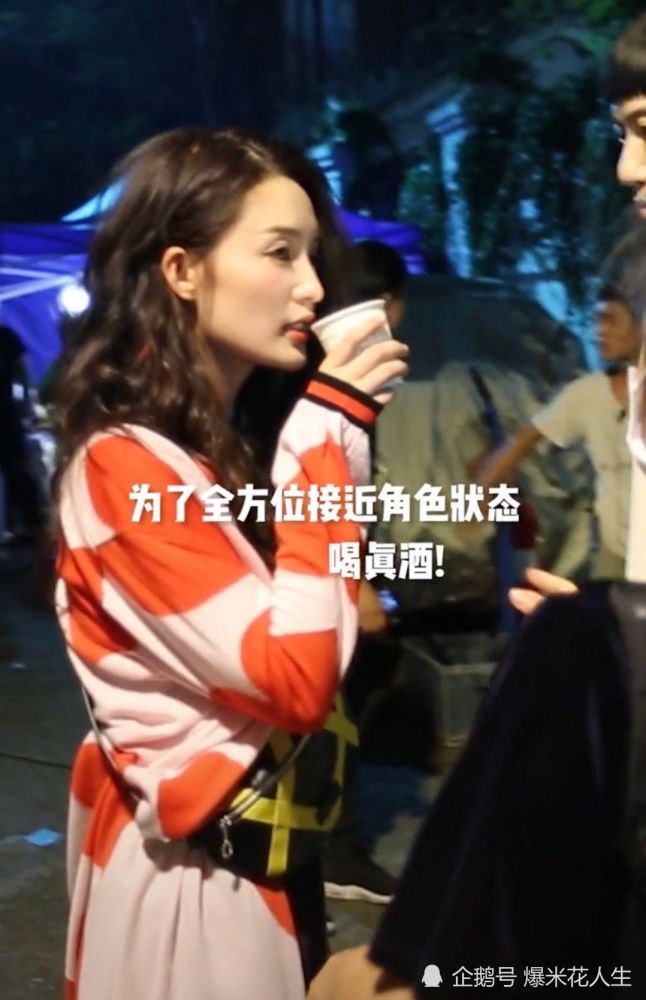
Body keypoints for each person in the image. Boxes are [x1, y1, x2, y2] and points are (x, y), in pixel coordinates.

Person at [306, 12, 646, 998]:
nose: (627, 167)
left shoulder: (425, 384)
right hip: (404, 562)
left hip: (424, 565)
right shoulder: (338, 395)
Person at [53, 127, 408, 1000]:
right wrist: (328, 428)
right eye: (280, 253)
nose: (313, 286)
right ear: (181, 269)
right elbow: (295, 679)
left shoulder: (220, 451)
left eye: (314, 256)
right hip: (197, 891)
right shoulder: (122, 468)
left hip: (266, 863)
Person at [478, 281, 641, 580]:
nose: (600, 330)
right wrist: (483, 489)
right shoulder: (588, 394)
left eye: (611, 320)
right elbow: (523, 440)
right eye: (597, 320)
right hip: (617, 554)